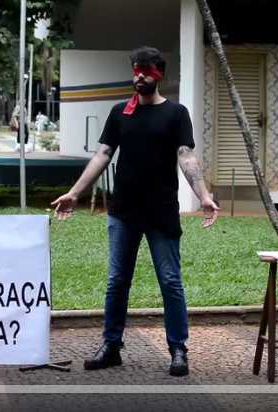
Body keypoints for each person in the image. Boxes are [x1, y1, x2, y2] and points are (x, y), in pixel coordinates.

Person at [51, 46, 220, 377]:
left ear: (159, 74)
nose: (139, 76)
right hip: (123, 212)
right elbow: (102, 155)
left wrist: (204, 195)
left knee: (170, 281)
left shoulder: (176, 114)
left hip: (161, 212)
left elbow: (186, 156)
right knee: (117, 281)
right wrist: (74, 193)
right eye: (136, 70)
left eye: (146, 71)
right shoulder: (119, 113)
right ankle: (111, 347)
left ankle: (178, 350)